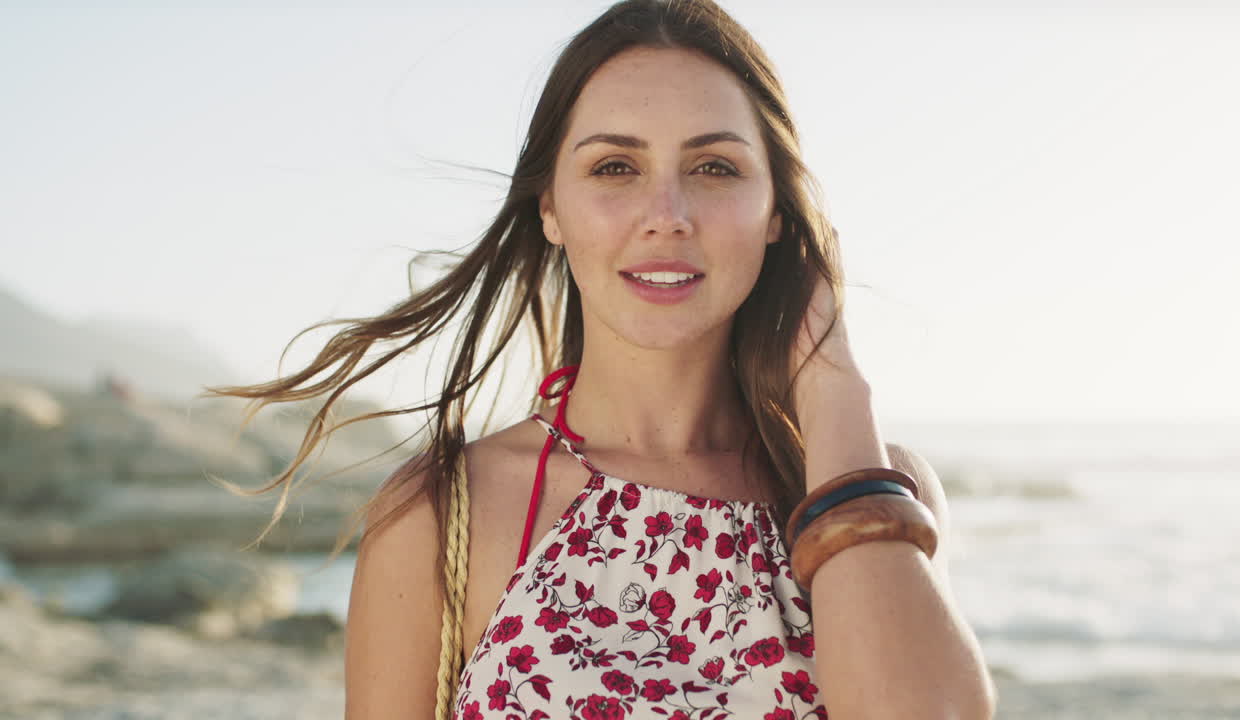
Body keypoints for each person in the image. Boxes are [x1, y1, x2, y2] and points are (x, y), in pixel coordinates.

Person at [212, 1, 996, 717]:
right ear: (550, 206)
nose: (667, 216)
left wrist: (835, 391)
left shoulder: (865, 488)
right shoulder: (442, 509)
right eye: (615, 168)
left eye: (714, 167)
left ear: (776, 214)